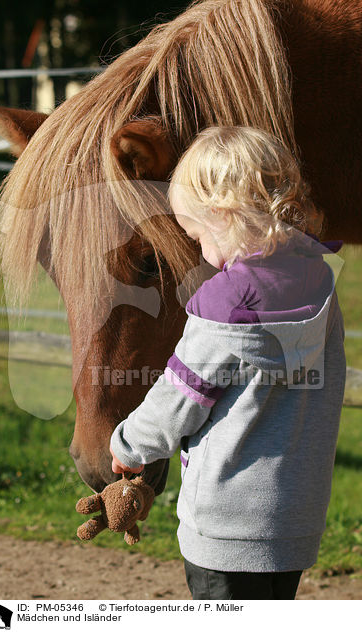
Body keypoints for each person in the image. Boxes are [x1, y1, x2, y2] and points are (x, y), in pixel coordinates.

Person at [109, 126, 346, 600]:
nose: (201, 252)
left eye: (197, 235)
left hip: (224, 525)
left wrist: (129, 446)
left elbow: (178, 398)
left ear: (223, 215)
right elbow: (330, 377)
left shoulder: (223, 303)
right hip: (295, 518)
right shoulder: (320, 279)